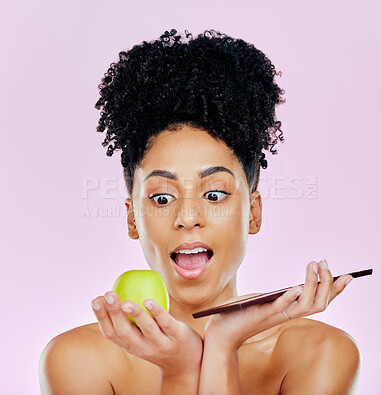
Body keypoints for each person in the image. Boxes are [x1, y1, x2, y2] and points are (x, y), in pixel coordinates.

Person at [39, 29, 361, 394]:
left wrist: (223, 344)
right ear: (132, 218)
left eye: (214, 194)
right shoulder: (79, 361)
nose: (188, 217)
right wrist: (181, 371)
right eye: (162, 198)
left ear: (253, 213)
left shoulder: (318, 354)